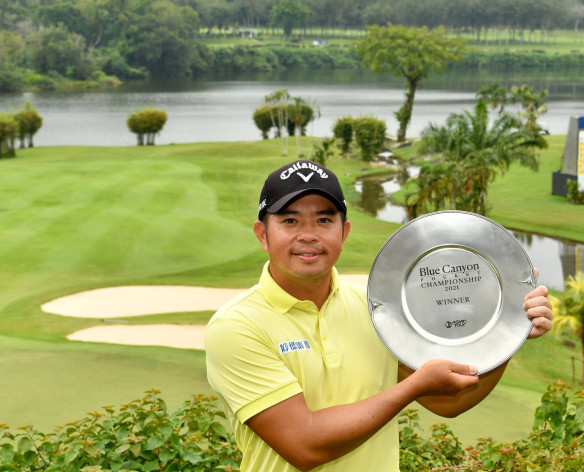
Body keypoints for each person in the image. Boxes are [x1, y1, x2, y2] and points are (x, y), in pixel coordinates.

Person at [205, 159, 553, 472]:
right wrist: (412, 386)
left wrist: (508, 331)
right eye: (290, 220)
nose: (308, 235)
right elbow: (304, 444)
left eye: (324, 219)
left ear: (344, 233)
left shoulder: (376, 308)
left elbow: (448, 402)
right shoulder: (236, 327)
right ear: (262, 234)